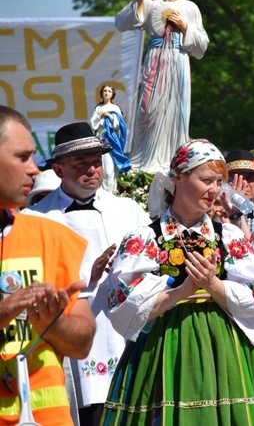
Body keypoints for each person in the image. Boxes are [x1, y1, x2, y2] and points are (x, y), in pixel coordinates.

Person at [101, 139, 254, 425]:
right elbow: (123, 303)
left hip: (222, 346)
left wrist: (213, 285)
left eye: (219, 182)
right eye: (207, 180)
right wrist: (182, 290)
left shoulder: (229, 236)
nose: (214, 190)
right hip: (162, 343)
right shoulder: (145, 237)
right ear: (179, 178)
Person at [23, 122, 150, 425]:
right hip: (69, 333)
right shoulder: (34, 220)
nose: (93, 170)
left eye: (96, 162)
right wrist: (87, 278)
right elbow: (32, 283)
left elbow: (151, 262)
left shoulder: (129, 210)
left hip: (123, 330)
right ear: (58, 170)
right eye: (82, 164)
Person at [0, 106, 96, 425]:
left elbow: (82, 343)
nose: (35, 168)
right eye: (22, 157)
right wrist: (6, 310)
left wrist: (53, 323)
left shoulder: (52, 236)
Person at [115, 0, 209, 174]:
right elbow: (121, 23)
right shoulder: (151, 2)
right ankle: (143, 163)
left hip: (178, 60)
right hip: (155, 60)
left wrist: (185, 27)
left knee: (176, 111)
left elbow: (202, 46)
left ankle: (173, 160)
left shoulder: (190, 7)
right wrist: (139, 0)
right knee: (149, 109)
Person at [89, 85, 130, 192]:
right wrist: (100, 116)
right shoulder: (98, 108)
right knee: (102, 169)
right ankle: (103, 192)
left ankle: (111, 192)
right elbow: (93, 124)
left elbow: (117, 125)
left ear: (112, 94)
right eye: (104, 91)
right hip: (101, 141)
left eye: (109, 91)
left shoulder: (115, 108)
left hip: (112, 142)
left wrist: (109, 115)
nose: (106, 93)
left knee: (110, 171)